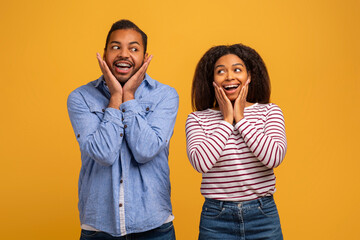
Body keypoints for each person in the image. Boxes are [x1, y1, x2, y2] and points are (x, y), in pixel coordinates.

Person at [67, 19, 178, 239]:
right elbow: (104, 153)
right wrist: (116, 98)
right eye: (116, 47)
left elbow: (145, 150)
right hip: (99, 228)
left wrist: (129, 98)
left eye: (133, 48)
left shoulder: (165, 95)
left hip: (154, 226)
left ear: (145, 57)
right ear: (105, 53)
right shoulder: (80, 97)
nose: (124, 54)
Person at [186, 44, 287, 240]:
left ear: (249, 77)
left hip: (263, 215)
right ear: (212, 80)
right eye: (220, 71)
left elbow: (273, 158)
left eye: (237, 70)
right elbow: (201, 163)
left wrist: (240, 118)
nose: (229, 76)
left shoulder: (270, 112)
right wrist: (226, 120)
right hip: (216, 218)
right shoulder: (197, 119)